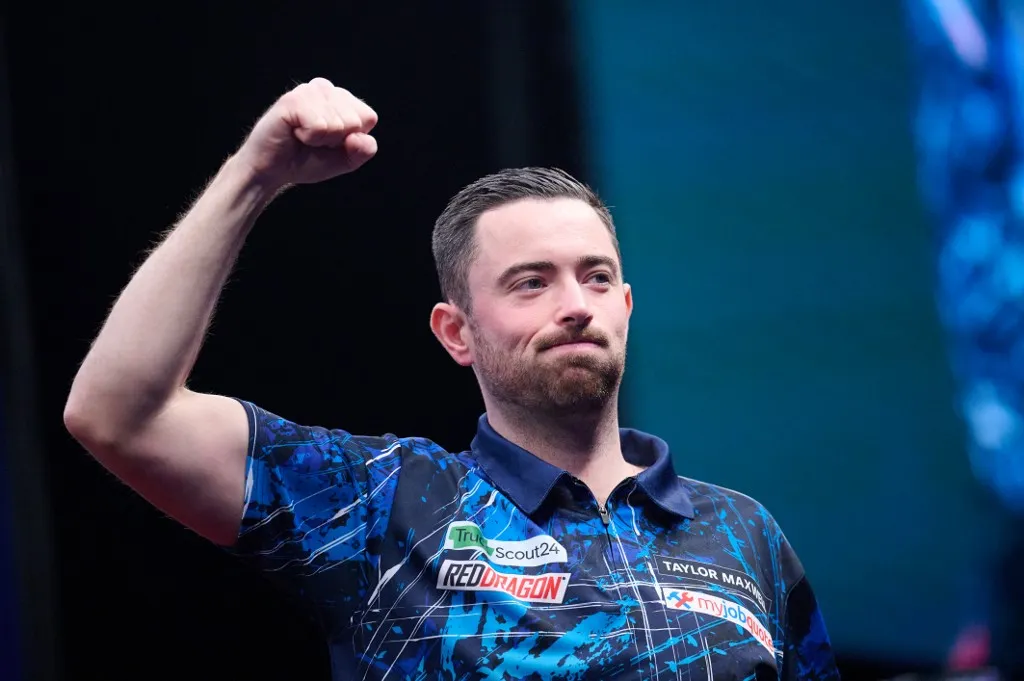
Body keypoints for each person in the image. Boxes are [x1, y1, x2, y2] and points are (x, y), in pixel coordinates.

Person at [63, 77, 840, 681]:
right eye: (530, 283)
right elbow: (118, 413)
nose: (575, 306)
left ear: (628, 305)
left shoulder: (744, 535)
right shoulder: (383, 503)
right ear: (455, 332)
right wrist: (255, 174)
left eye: (596, 277)